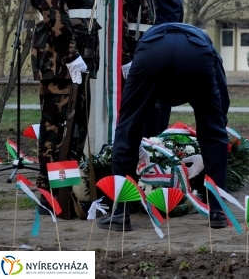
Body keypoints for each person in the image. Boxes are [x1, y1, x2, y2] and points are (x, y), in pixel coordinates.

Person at [98, 23, 230, 231]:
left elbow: (131, 111)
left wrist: (133, 136)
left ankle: (120, 213)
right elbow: (222, 104)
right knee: (213, 130)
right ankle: (217, 210)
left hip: (152, 52)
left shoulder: (150, 42)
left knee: (128, 127)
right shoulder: (207, 46)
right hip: (196, 55)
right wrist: (218, 125)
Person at [27, 0, 99, 200]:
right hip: (60, 57)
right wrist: (71, 56)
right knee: (57, 129)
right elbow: (52, 9)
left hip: (79, 54)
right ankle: (50, 196)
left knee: (75, 132)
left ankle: (64, 196)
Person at [141, 0, 183, 135]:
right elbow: (151, 8)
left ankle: (158, 141)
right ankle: (151, 142)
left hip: (170, 37)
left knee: (165, 95)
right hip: (159, 38)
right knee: (155, 98)